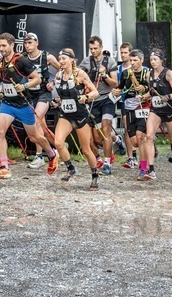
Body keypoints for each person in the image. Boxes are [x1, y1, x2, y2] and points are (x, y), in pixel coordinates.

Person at [0, 33, 55, 180]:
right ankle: (4, 167)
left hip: (23, 105)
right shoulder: (0, 63)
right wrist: (0, 94)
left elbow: (37, 79)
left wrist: (24, 86)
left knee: (34, 137)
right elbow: (5, 83)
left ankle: (51, 153)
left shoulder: (21, 61)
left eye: (4, 45)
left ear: (12, 45)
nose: (1, 48)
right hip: (7, 104)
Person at [51, 48, 102, 189]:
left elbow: (95, 92)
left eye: (63, 59)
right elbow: (61, 96)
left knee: (86, 149)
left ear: (72, 60)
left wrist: (86, 97)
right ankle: (71, 168)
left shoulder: (80, 74)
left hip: (80, 115)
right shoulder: (58, 75)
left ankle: (95, 175)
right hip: (65, 114)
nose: (61, 61)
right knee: (58, 143)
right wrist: (56, 101)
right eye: (59, 59)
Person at [142, 50, 172, 181]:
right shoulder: (148, 74)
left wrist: (167, 96)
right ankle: (151, 169)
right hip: (155, 109)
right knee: (149, 136)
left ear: (161, 60)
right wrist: (142, 97)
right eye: (151, 60)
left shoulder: (168, 73)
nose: (153, 62)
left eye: (155, 59)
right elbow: (151, 92)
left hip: (168, 109)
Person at [79, 36, 119, 174]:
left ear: (101, 47)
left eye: (96, 48)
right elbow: (78, 76)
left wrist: (105, 76)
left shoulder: (109, 61)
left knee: (106, 129)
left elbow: (115, 83)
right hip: (93, 100)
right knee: (96, 138)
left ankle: (107, 163)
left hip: (106, 99)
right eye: (91, 49)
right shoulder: (86, 61)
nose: (93, 51)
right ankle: (112, 146)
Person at [112, 48, 152, 180]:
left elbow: (152, 88)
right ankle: (142, 156)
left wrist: (144, 89)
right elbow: (120, 87)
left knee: (141, 137)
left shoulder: (147, 73)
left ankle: (143, 167)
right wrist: (116, 92)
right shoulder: (125, 73)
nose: (133, 63)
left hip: (142, 107)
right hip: (128, 108)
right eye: (131, 60)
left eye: (135, 60)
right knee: (134, 141)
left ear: (141, 60)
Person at [22, 33, 60, 171]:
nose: (28, 45)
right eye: (26, 43)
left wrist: (53, 82)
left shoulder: (47, 56)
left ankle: (39, 156)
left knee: (36, 120)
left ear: (37, 43)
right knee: (42, 127)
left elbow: (61, 69)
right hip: (30, 93)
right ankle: (59, 146)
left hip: (44, 93)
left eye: (30, 42)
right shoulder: (23, 58)